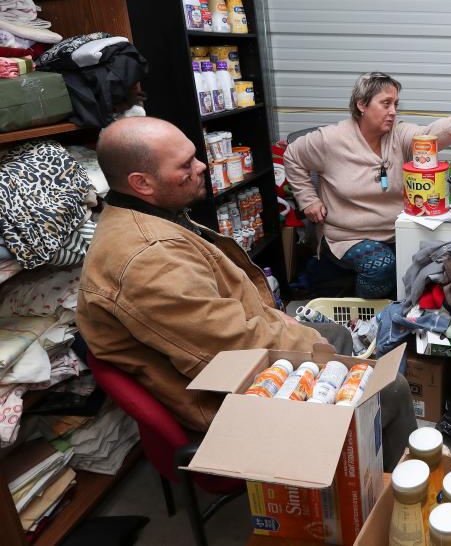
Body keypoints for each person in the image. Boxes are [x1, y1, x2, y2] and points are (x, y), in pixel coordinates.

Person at [75, 117, 417, 470]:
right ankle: (389, 493)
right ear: (141, 183)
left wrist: (287, 324)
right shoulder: (148, 259)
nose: (202, 167)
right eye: (185, 165)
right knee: (390, 389)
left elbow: (217, 319)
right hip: (220, 397)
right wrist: (305, 344)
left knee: (336, 335)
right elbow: (228, 347)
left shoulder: (148, 213)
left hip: (223, 354)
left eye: (195, 157)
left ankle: (357, 461)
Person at [284, 72, 451, 298]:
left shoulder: (398, 134)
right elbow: (292, 156)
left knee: (443, 260)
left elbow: (429, 135)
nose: (393, 111)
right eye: (386, 104)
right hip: (348, 236)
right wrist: (308, 199)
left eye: (395, 104)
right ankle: (367, 316)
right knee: (382, 265)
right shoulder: (329, 140)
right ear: (362, 105)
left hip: (397, 232)